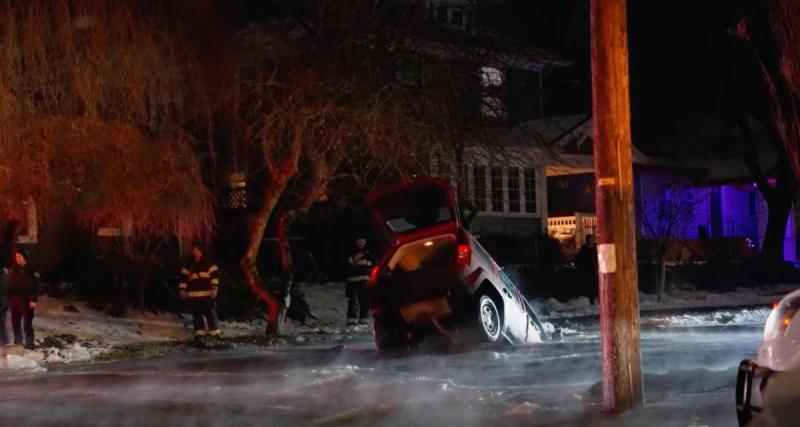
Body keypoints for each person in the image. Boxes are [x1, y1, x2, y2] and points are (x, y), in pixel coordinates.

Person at [179, 242, 221, 339]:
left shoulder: (210, 264)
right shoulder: (189, 265)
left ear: (201, 251)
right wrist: (182, 290)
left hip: (207, 295)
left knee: (210, 314)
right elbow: (183, 278)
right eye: (193, 250)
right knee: (197, 316)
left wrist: (214, 288)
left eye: (196, 250)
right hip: (193, 296)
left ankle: (215, 334)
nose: (194, 252)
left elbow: (215, 277)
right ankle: (200, 334)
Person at [4, 248, 41, 349]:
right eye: (16, 256)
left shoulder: (32, 270)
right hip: (14, 300)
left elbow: (37, 286)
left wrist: (34, 299)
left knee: (27, 323)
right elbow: (8, 284)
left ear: (24, 258)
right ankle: (18, 343)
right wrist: (7, 297)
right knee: (15, 322)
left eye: (19, 256)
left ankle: (29, 345)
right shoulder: (13, 269)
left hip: (26, 300)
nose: (17, 258)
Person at [345, 237, 372, 326]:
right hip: (353, 281)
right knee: (353, 301)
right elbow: (352, 261)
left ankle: (364, 319)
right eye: (359, 241)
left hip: (365, 281)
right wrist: (362, 254)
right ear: (356, 242)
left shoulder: (369, 253)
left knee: (365, 301)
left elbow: (373, 263)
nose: (361, 243)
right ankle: (352, 320)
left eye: (363, 241)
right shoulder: (351, 251)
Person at [574, 234, 599, 305]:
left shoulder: (596, 248)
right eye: (590, 239)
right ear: (587, 240)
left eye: (593, 239)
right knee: (589, 285)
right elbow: (580, 259)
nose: (592, 240)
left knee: (596, 284)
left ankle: (596, 298)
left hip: (595, 269)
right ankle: (591, 299)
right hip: (587, 270)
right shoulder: (584, 249)